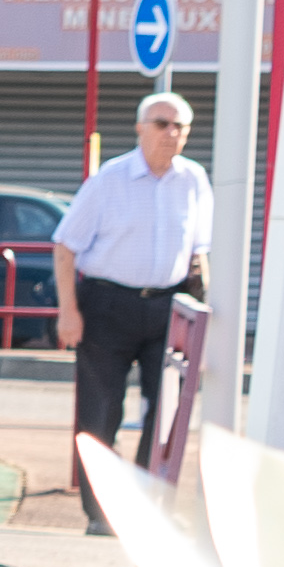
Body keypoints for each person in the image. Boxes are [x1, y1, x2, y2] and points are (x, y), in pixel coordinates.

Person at [54, 84, 209, 455]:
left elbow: (200, 254)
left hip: (168, 308)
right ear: (141, 128)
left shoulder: (194, 180)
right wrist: (68, 311)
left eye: (180, 126)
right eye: (161, 124)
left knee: (166, 411)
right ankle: (99, 511)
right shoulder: (110, 178)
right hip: (107, 306)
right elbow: (64, 246)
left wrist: (205, 317)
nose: (171, 133)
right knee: (101, 412)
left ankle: (144, 497)